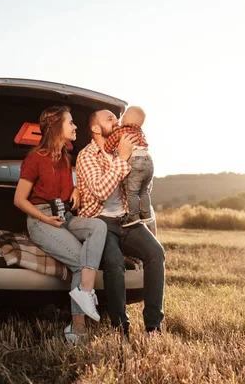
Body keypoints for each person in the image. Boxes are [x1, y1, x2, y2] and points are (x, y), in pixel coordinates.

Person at [14, 106, 107, 345]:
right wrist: (44, 219)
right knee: (79, 262)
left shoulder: (65, 158)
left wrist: (75, 188)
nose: (76, 127)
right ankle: (78, 329)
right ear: (57, 127)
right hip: (41, 219)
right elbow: (19, 200)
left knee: (99, 227)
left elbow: (66, 186)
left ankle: (84, 292)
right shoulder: (35, 158)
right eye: (71, 122)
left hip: (64, 216)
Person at [76, 108, 165, 337]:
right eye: (109, 118)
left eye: (117, 117)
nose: (116, 121)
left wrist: (141, 162)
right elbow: (100, 192)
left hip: (127, 220)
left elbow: (140, 186)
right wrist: (124, 159)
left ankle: (153, 326)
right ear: (96, 128)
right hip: (99, 222)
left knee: (156, 253)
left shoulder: (122, 149)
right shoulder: (87, 156)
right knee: (114, 263)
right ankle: (120, 326)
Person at [103, 106, 154, 227]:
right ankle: (146, 214)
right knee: (144, 191)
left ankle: (133, 216)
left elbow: (108, 146)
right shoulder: (140, 132)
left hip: (136, 161)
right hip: (148, 161)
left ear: (124, 118)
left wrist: (109, 146)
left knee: (132, 192)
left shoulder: (122, 130)